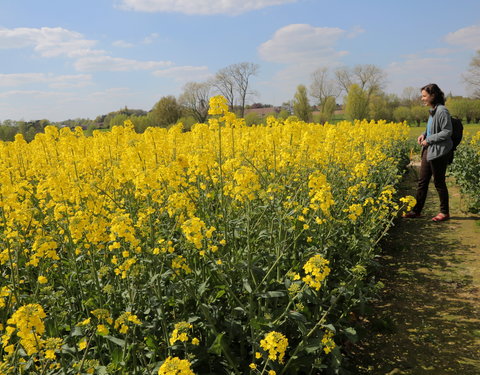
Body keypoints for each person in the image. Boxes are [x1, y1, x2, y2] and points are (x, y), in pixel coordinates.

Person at [404, 83, 453, 222]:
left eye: (424, 96)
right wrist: (423, 134)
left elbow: (447, 131)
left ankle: (444, 212)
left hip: (439, 152)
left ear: (433, 95)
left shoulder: (442, 111)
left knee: (438, 182)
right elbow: (431, 129)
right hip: (428, 150)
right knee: (422, 182)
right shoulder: (432, 110)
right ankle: (416, 211)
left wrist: (429, 139)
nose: (422, 98)